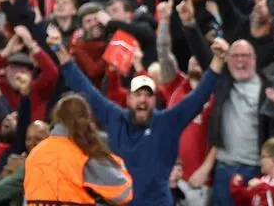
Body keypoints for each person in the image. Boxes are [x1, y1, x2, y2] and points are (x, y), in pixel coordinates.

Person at [48, 26, 226, 206]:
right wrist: (59, 50)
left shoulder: (168, 122)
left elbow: (199, 97)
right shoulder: (114, 117)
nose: (143, 100)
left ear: (154, 100)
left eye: (148, 95)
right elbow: (84, 88)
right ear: (129, 98)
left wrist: (218, 61)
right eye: (138, 94)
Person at [24, 93, 133, 206]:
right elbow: (123, 192)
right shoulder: (82, 155)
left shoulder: (34, 154)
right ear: (87, 121)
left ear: (57, 118)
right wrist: (113, 161)